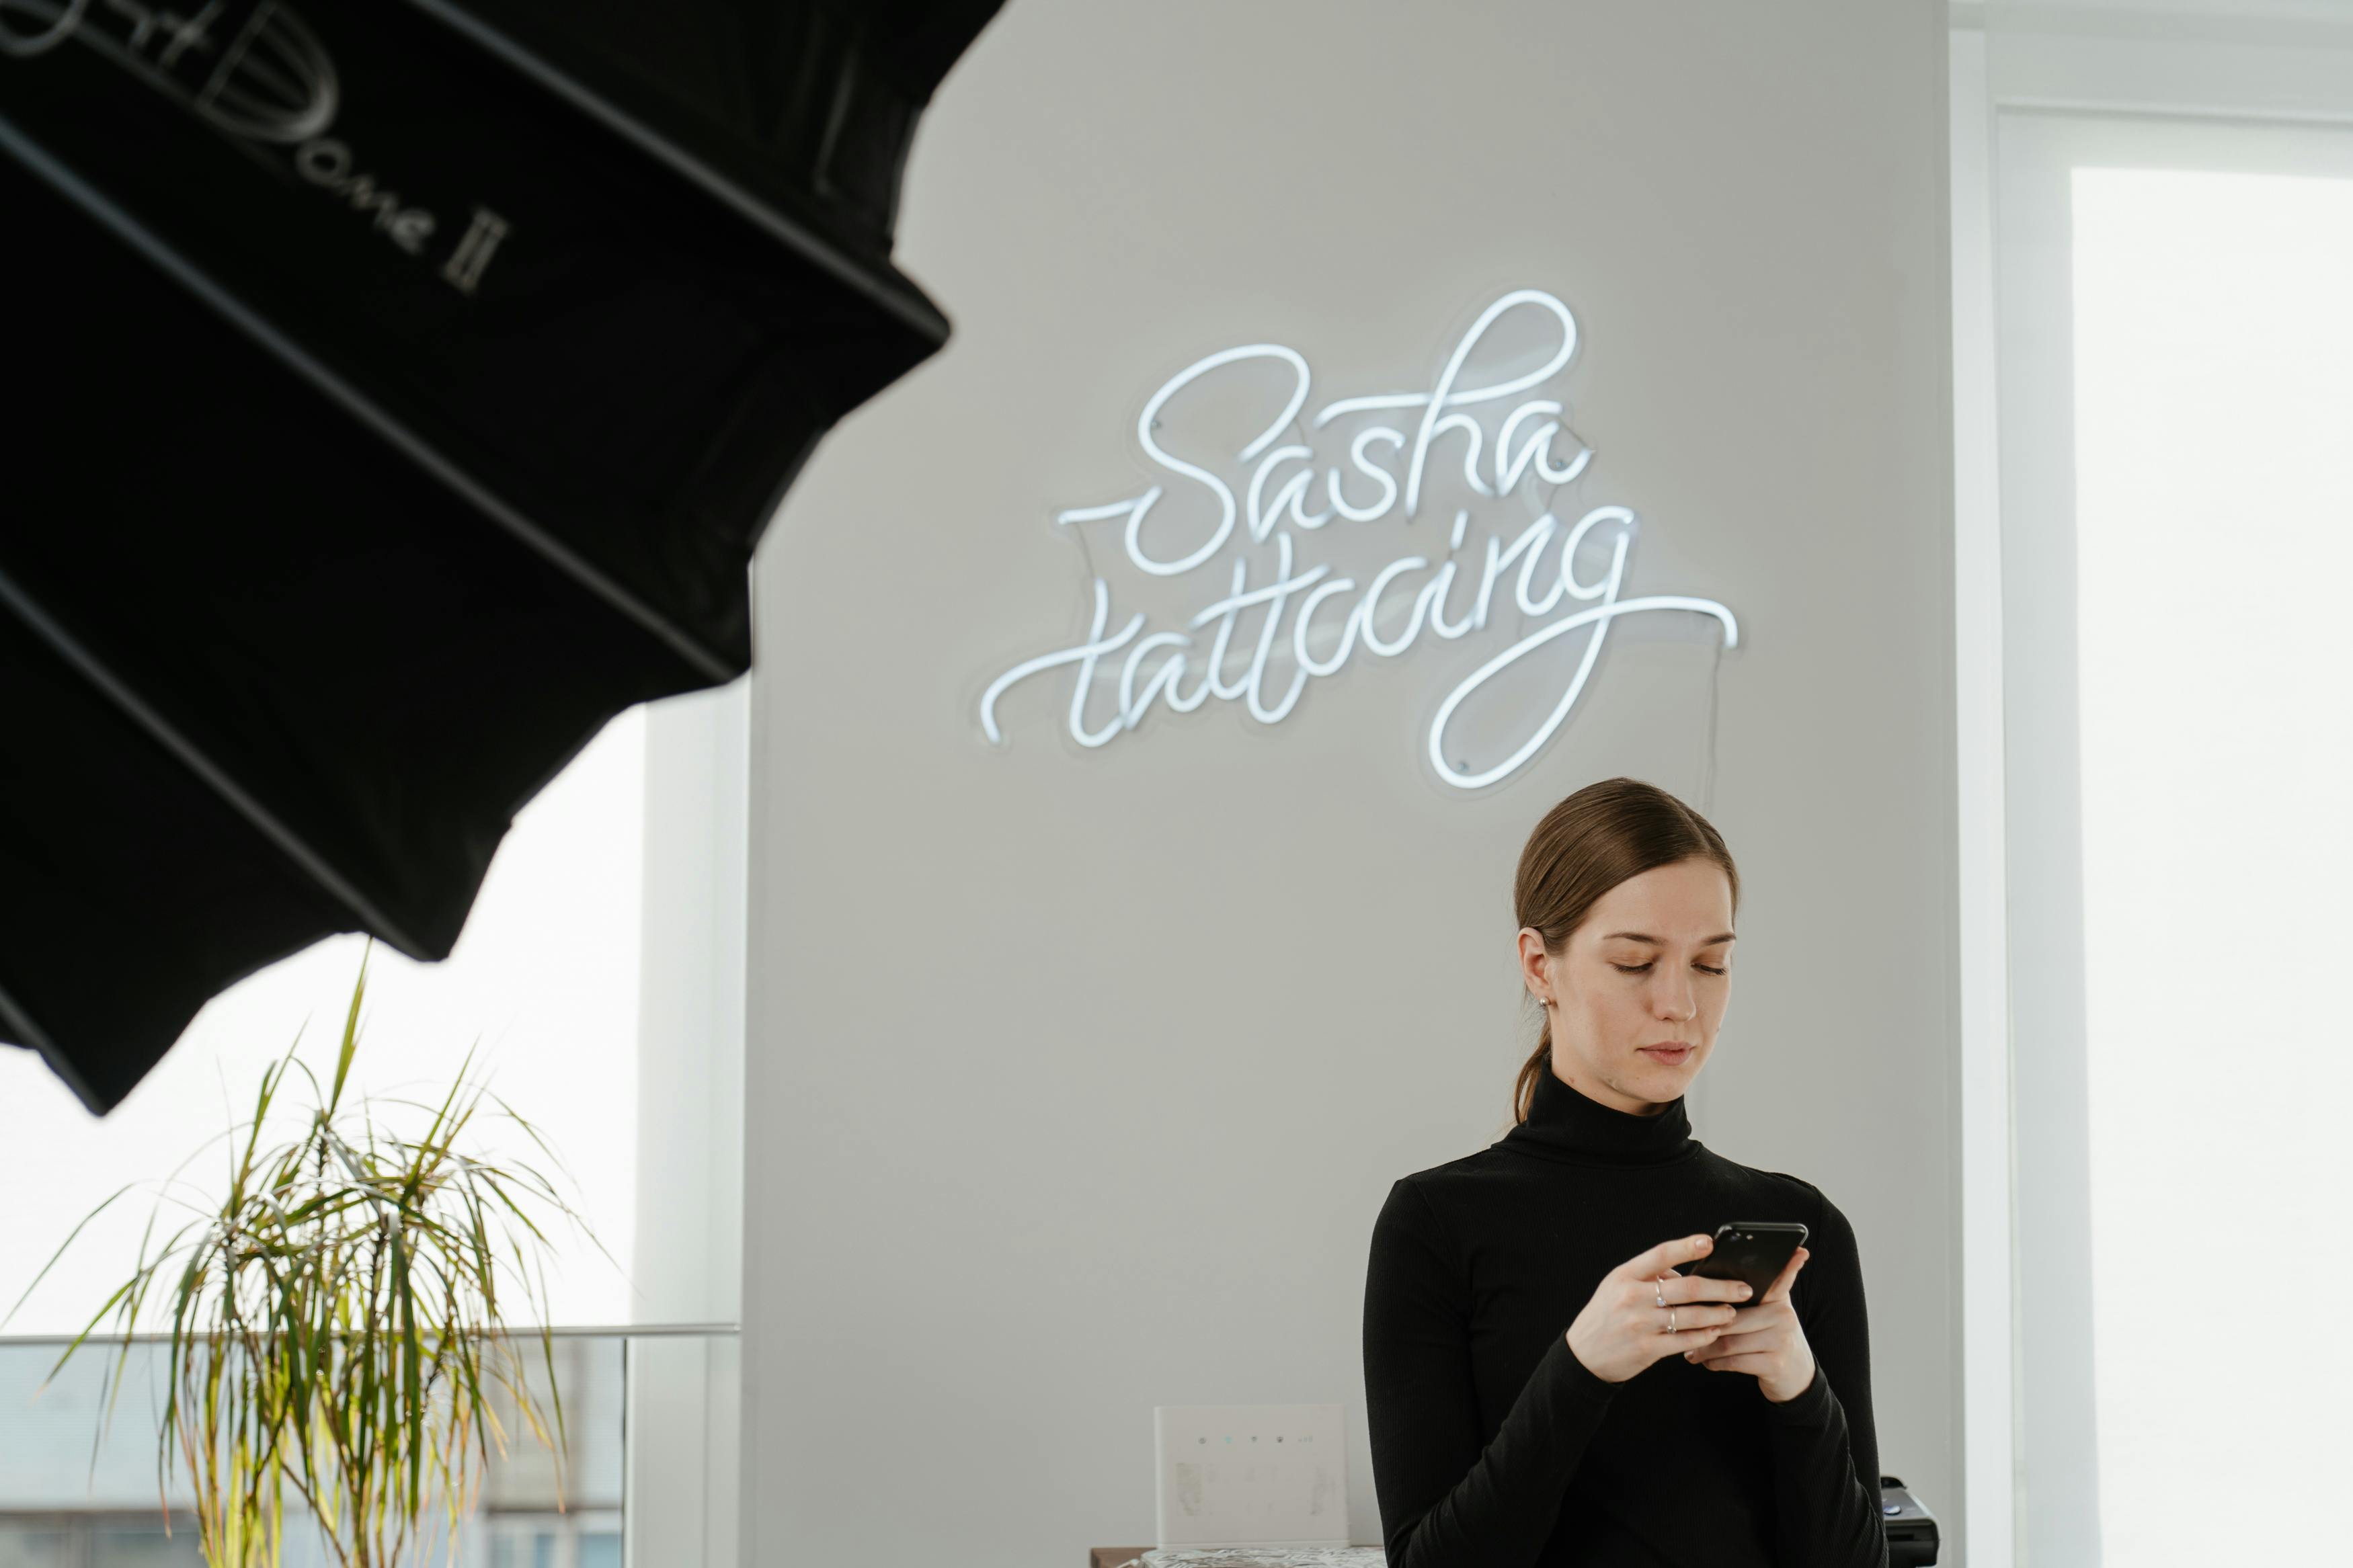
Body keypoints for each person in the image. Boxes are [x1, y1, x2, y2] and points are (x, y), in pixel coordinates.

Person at [1361, 778, 1886, 1567]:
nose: (1679, 1003)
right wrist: (1579, 1367)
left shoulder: (1798, 1222)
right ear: (1540, 965)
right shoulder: (1436, 1222)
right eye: (1636, 962)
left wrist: (1797, 1386)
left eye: (1710, 964)